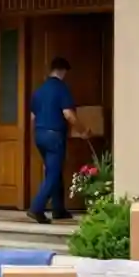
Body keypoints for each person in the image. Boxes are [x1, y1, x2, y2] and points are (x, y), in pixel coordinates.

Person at [28, 56, 81, 225]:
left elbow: (32, 117)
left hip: (39, 134)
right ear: (63, 71)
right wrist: (83, 130)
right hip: (54, 135)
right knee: (53, 173)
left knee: (54, 170)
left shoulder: (39, 91)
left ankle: (58, 209)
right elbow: (68, 114)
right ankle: (36, 207)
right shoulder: (61, 88)